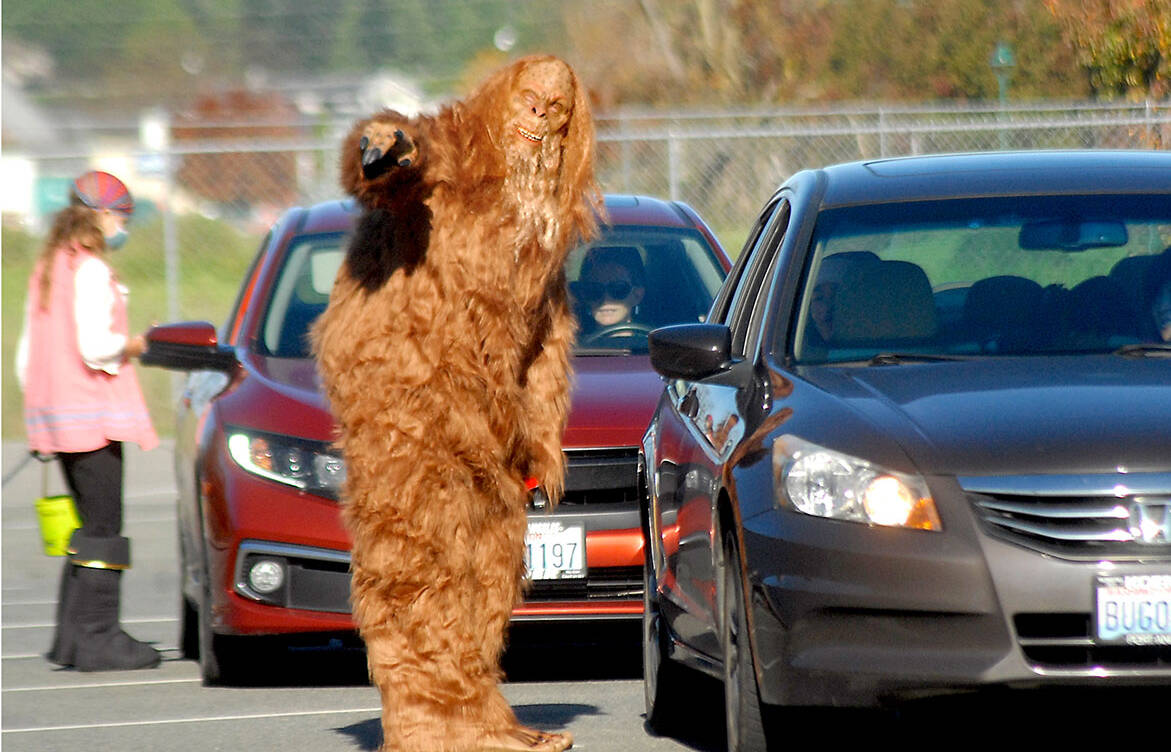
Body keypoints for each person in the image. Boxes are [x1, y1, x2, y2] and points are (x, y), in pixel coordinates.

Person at [15, 170, 160, 671]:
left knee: (86, 524)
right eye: (121, 217)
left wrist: (39, 418)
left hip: (56, 416)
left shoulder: (51, 265)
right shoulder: (92, 269)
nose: (123, 226)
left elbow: (26, 353)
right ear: (101, 216)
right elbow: (96, 348)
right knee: (104, 527)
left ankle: (72, 638)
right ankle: (99, 636)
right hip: (92, 417)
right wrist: (137, 344)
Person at [576, 245, 646, 333]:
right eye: (594, 289)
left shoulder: (658, 345)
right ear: (584, 294)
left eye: (618, 288)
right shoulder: (565, 345)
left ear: (637, 295)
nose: (606, 299)